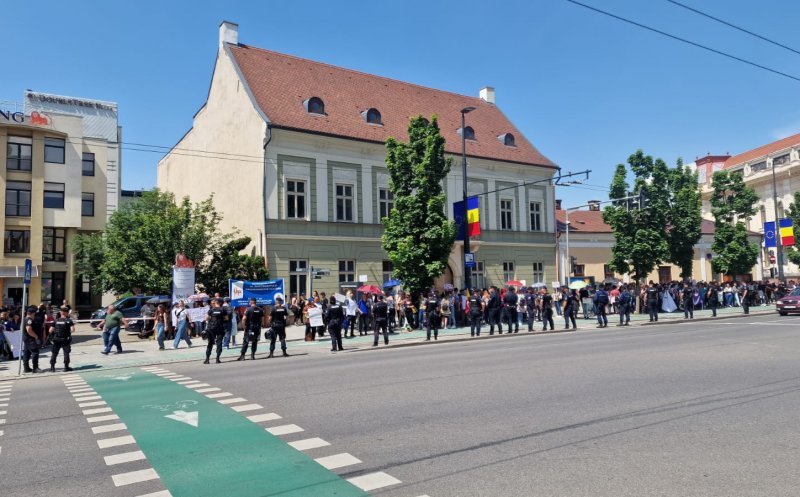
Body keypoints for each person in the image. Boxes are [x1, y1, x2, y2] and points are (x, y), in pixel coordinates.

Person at [48, 306, 75, 372]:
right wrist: (67, 332)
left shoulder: (56, 320)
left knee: (54, 353)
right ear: (67, 313)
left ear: (60, 312)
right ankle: (66, 367)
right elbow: (73, 330)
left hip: (56, 339)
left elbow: (50, 330)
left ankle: (52, 367)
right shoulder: (69, 321)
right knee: (66, 353)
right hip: (65, 339)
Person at [204, 298, 228, 364]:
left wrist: (211, 318)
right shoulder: (223, 310)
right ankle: (217, 359)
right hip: (220, 328)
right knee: (219, 343)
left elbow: (206, 318)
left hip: (211, 328)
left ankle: (207, 359)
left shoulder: (211, 310)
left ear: (216, 302)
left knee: (210, 343)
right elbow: (227, 318)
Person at [22, 306, 43, 373]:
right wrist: (35, 336)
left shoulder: (24, 319)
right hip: (30, 339)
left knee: (27, 353)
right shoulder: (29, 320)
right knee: (35, 352)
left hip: (26, 338)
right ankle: (35, 368)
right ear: (32, 313)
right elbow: (29, 330)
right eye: (34, 313)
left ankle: (26, 368)